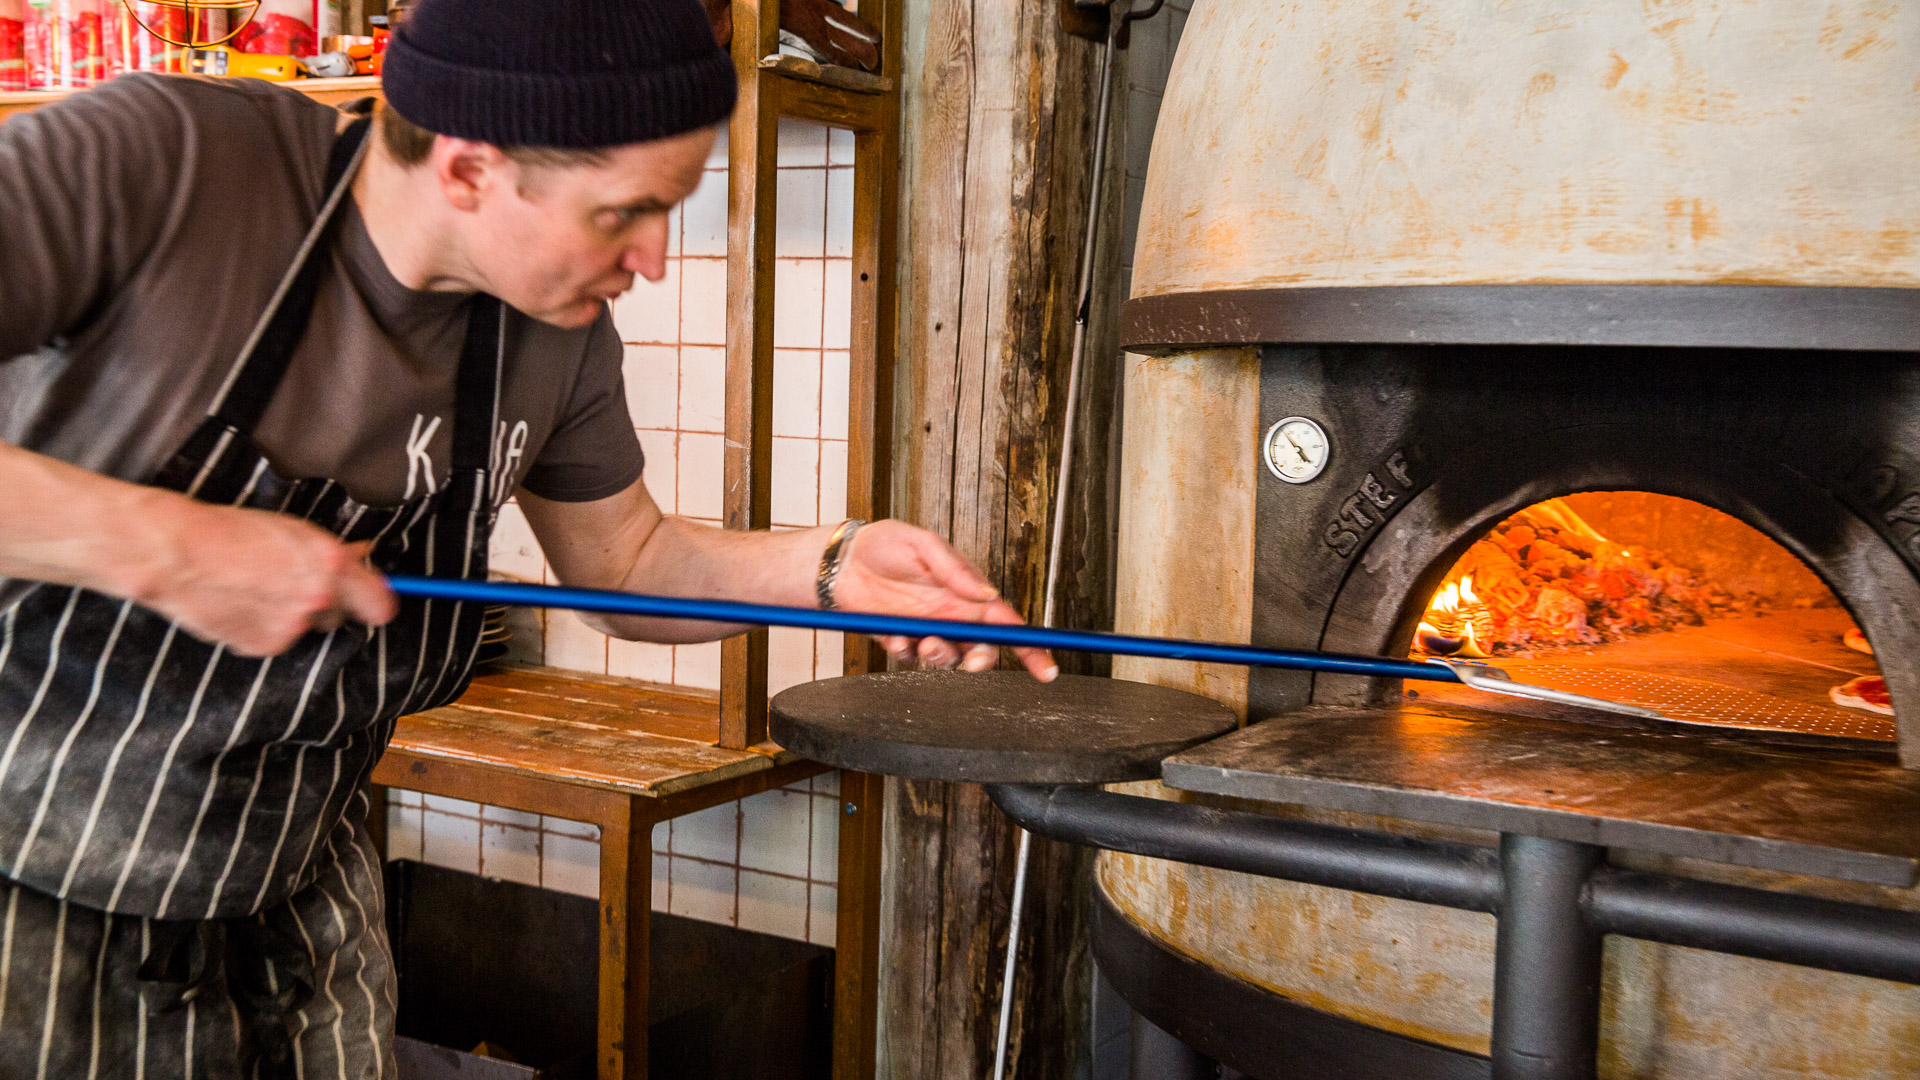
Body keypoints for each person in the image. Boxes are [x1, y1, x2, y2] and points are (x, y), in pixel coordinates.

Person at [0, 0, 1054, 1072]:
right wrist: (162, 545)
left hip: (299, 883)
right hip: (28, 884)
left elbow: (626, 564)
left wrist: (830, 568)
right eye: (624, 214)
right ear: (467, 168)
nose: (651, 259)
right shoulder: (160, 164)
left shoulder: (554, 329)